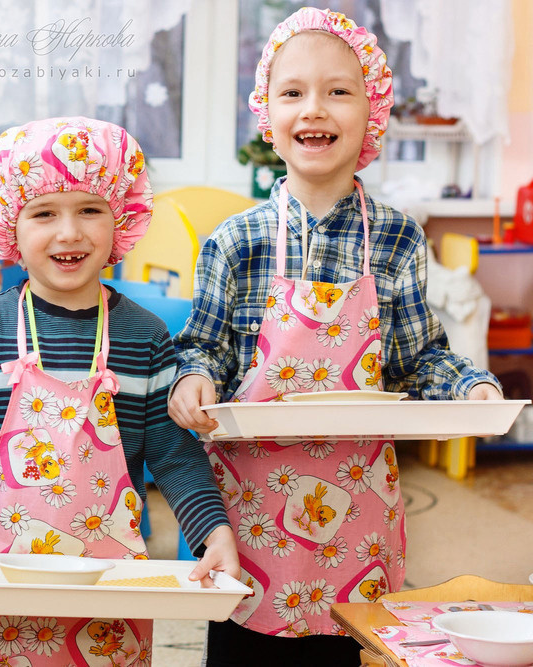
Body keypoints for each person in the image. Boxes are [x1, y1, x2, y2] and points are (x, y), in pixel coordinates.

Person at [167, 8, 503, 666]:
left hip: (356, 513)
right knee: (241, 647)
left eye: (338, 90)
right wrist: (192, 378)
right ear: (267, 114)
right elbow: (202, 347)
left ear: (373, 112)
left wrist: (472, 385)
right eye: (292, 92)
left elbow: (418, 360)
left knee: (344, 649)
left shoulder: (400, 239)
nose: (313, 108)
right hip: (250, 514)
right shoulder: (235, 242)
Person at [0, 116, 239, 666]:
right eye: (44, 212)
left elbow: (175, 457)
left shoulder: (144, 336)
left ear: (120, 218)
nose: (69, 232)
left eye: (89, 210)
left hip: (108, 590)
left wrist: (212, 533)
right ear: (11, 225)